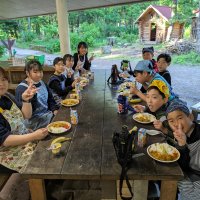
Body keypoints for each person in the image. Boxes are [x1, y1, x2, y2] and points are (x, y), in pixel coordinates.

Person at [0, 67, 48, 173]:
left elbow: (26, 115)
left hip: (23, 139)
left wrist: (26, 100)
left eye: (3, 79)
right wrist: (34, 135)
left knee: (48, 149)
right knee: (40, 162)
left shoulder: (7, 97)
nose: (1, 83)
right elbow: (4, 140)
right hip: (6, 152)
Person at [166, 100, 200, 200]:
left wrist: (181, 145)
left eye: (179, 118)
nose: (176, 124)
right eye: (171, 121)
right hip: (188, 173)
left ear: (190, 117)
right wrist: (181, 144)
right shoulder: (182, 135)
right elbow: (183, 165)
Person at [15, 60, 59, 131]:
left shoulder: (42, 83)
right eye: (35, 72)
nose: (39, 74)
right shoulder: (21, 88)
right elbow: (25, 115)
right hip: (33, 121)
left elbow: (50, 99)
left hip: (48, 114)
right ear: (27, 73)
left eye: (41, 71)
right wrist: (33, 96)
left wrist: (54, 109)